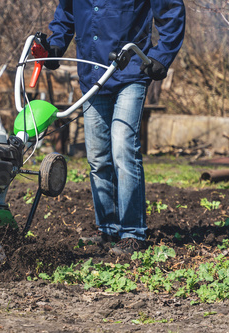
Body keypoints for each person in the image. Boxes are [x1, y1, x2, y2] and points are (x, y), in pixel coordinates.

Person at [44, 0, 186, 254]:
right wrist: (55, 44)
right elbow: (66, 12)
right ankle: (108, 228)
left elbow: (171, 11)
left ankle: (132, 233)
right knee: (97, 156)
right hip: (92, 73)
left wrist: (161, 56)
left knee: (123, 148)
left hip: (130, 70)